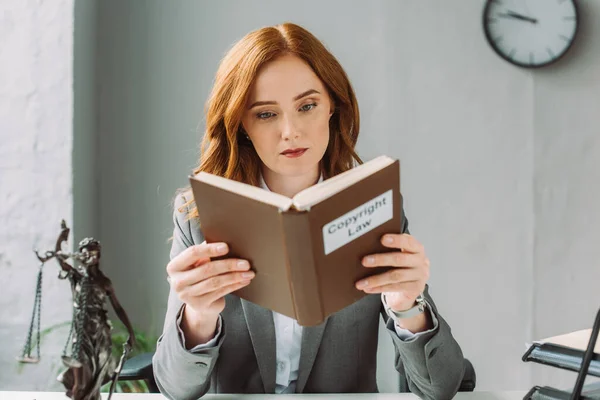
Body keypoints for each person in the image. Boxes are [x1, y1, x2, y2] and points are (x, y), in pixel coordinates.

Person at [153, 22, 465, 400]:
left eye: (307, 106)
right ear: (241, 125)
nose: (291, 131)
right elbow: (174, 389)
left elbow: (441, 388)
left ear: (332, 106)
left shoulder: (374, 206)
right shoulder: (198, 216)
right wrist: (198, 317)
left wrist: (408, 306)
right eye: (266, 114)